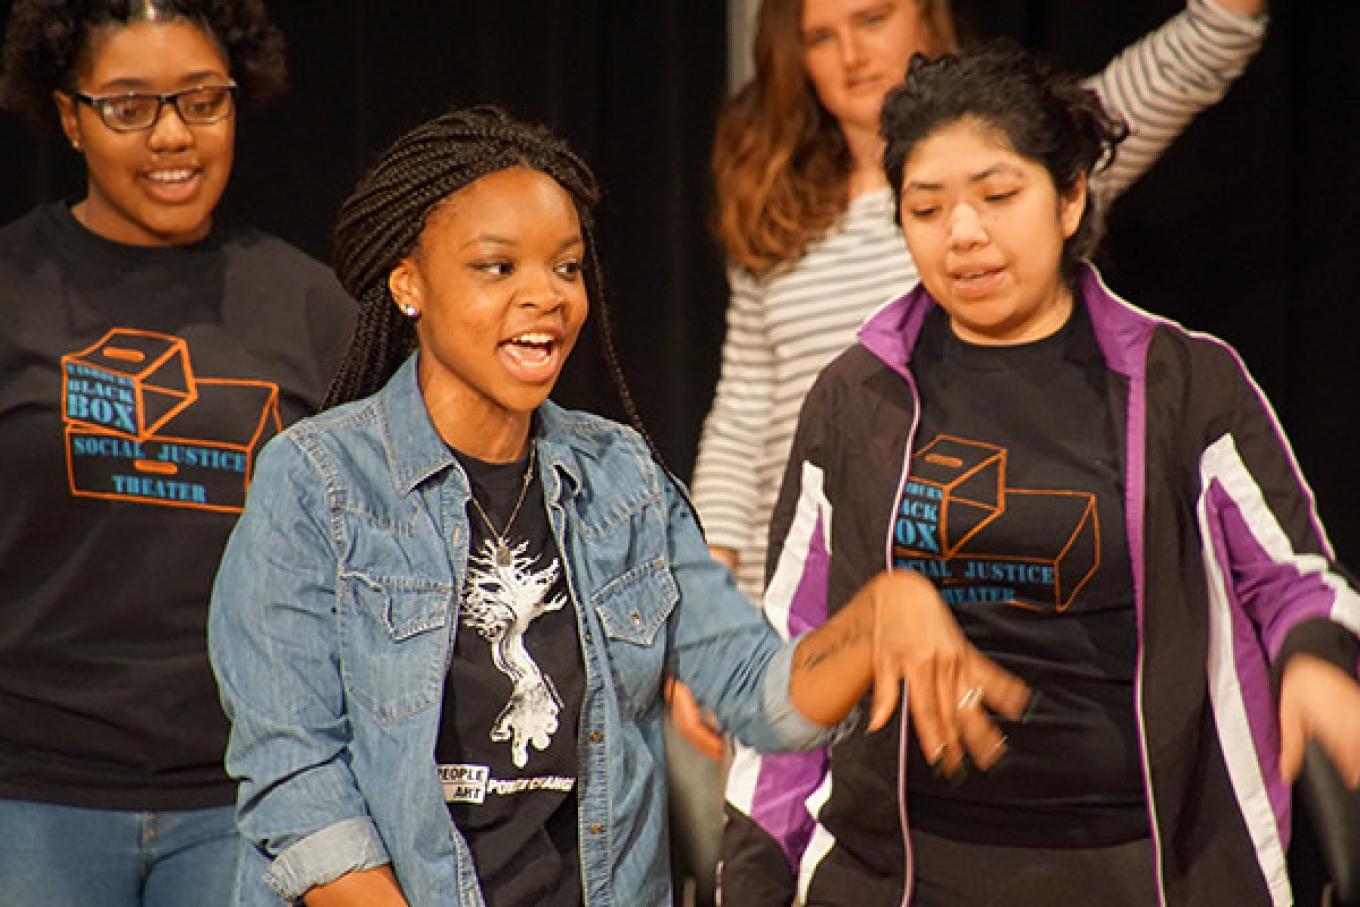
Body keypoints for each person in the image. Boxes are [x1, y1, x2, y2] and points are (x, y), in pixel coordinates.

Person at [204, 104, 997, 907]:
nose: (545, 296)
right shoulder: (317, 481)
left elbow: (761, 695)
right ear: (409, 283)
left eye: (567, 267)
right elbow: (298, 783)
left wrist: (882, 615)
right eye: (497, 267)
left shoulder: (619, 477)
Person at [720, 40, 1360, 906]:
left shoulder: (1181, 382)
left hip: (1144, 865)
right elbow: (789, 656)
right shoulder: (855, 396)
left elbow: (1296, 582)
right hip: (901, 871)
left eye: (998, 195)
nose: (965, 233)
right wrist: (753, 875)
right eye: (928, 207)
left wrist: (1316, 658)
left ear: (1068, 199)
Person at [0, 2, 356, 904]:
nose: (172, 136)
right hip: (33, 793)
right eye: (129, 106)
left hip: (250, 798)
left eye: (202, 101)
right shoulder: (11, 289)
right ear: (70, 116)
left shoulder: (309, 307)